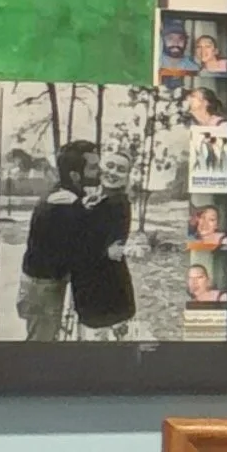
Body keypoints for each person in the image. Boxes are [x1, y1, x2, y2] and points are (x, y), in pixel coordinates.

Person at [17, 141, 94, 340]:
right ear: (75, 176)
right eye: (93, 168)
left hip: (46, 283)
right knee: (41, 346)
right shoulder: (63, 203)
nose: (99, 172)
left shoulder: (67, 195)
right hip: (43, 287)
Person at [68, 144, 137, 340]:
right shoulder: (98, 200)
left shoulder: (117, 205)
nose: (113, 172)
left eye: (121, 169)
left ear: (127, 177)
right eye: (110, 165)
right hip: (95, 286)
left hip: (104, 290)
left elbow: (100, 249)